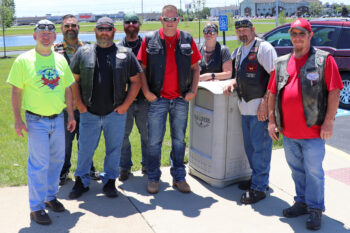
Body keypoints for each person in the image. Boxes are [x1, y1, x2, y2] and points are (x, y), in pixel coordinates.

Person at [267, 18, 343, 231]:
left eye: (302, 33)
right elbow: (272, 92)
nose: (297, 38)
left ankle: (316, 209)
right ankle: (301, 202)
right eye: (294, 34)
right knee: (297, 171)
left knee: (314, 172)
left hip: (313, 132)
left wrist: (328, 122)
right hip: (289, 132)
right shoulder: (281, 62)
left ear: (310, 36)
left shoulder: (323, 60)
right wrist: (272, 122)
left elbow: (334, 91)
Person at [7, 19, 76, 225]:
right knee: (39, 165)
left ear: (55, 37)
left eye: (50, 33)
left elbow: (68, 89)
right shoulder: (23, 60)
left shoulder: (61, 60)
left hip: (58, 119)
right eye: (41, 32)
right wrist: (18, 120)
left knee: (56, 162)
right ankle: (35, 207)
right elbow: (16, 92)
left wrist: (71, 115)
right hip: (36, 120)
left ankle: (49, 197)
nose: (46, 36)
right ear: (35, 36)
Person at [68, 17, 142, 199]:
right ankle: (81, 181)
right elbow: (72, 81)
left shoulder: (126, 53)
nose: (104, 32)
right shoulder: (83, 52)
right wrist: (81, 105)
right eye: (100, 28)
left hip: (115, 113)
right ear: (95, 30)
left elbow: (136, 81)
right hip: (89, 112)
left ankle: (110, 181)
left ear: (113, 31)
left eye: (108, 28)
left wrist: (125, 106)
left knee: (114, 148)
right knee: (85, 148)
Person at [137, 5, 201, 194]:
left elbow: (196, 67)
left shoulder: (187, 39)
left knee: (179, 140)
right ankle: (154, 178)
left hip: (181, 99)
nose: (170, 22)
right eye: (167, 19)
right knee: (154, 141)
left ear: (178, 20)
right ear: (161, 20)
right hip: (157, 99)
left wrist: (193, 90)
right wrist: (146, 91)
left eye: (174, 19)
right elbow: (140, 68)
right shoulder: (150, 39)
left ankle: (179, 178)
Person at [223, 18, 277, 204]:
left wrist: (265, 102)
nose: (241, 33)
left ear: (253, 29)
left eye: (245, 29)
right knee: (251, 148)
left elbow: (275, 77)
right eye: (238, 30)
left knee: (260, 149)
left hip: (259, 110)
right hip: (244, 108)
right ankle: (257, 179)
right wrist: (232, 83)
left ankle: (259, 188)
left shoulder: (264, 48)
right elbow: (242, 76)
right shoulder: (238, 51)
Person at [54, 14, 99, 186]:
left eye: (73, 25)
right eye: (67, 26)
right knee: (65, 142)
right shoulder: (54, 50)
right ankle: (63, 171)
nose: (70, 28)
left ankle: (88, 168)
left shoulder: (89, 48)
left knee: (87, 140)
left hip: (87, 105)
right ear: (62, 29)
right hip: (65, 107)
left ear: (78, 27)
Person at [117, 13, 148, 181]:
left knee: (147, 135)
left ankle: (148, 165)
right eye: (127, 22)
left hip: (145, 100)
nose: (131, 24)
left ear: (139, 25)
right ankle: (124, 167)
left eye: (134, 22)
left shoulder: (148, 45)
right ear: (123, 26)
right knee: (123, 136)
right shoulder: (117, 47)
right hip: (124, 101)